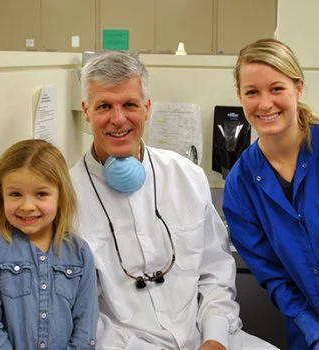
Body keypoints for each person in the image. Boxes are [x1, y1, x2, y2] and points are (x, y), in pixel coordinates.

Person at [70, 50, 278, 350]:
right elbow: (84, 314)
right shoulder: (66, 197)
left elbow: (215, 272)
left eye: (130, 104)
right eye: (104, 106)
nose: (118, 119)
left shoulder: (186, 177)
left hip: (207, 336)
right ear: (86, 111)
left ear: (147, 108)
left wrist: (215, 338)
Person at [223, 38, 319, 350]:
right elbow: (275, 278)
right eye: (252, 92)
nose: (265, 104)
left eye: (277, 88)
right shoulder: (240, 187)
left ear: (298, 88)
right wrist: (312, 330)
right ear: (240, 96)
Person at [0, 139, 98, 350]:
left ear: (60, 195)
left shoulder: (80, 252)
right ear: (1, 193)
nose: (27, 206)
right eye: (15, 194)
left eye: (41, 194)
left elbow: (86, 327)